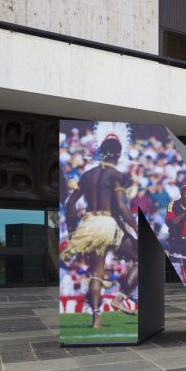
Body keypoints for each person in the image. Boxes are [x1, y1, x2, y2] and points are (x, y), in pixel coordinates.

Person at [63, 133, 138, 329]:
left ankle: (96, 319)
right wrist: (137, 228)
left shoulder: (87, 175)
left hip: (88, 224)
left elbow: (70, 203)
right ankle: (120, 298)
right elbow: (121, 208)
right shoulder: (116, 175)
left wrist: (72, 231)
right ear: (119, 154)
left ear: (101, 153)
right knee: (141, 258)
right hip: (107, 223)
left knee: (96, 273)